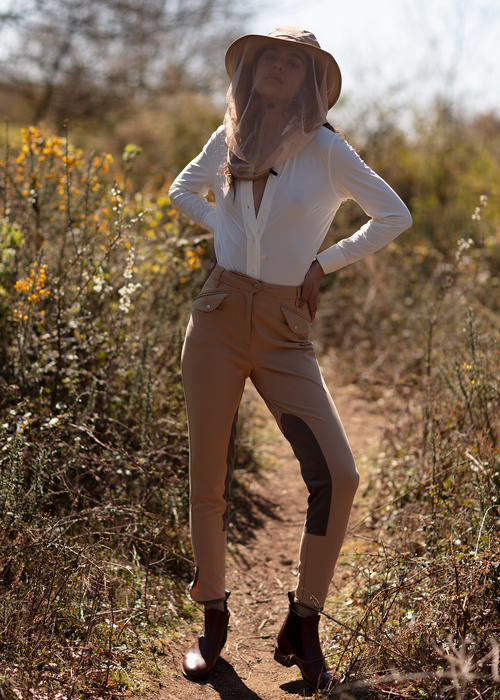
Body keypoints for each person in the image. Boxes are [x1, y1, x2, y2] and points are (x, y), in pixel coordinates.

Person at [169, 26, 412, 690]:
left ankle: (303, 623)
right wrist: (220, 230)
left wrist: (324, 261)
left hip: (282, 327)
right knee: (208, 478)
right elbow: (181, 191)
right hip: (217, 317)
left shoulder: (328, 150)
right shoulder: (231, 137)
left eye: (292, 62)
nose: (277, 67)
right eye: (267, 58)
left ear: (310, 82)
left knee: (338, 473)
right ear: (250, 73)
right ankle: (213, 617)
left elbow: (394, 216)